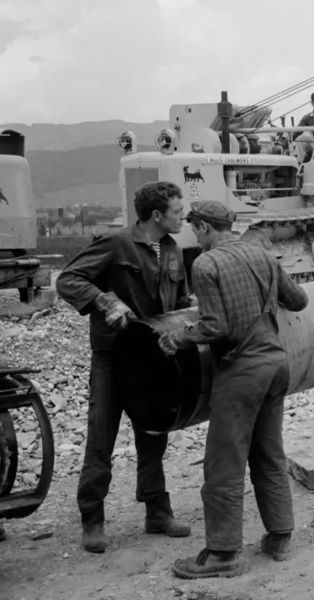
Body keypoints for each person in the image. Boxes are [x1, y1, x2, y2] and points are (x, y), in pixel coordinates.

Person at [158, 201, 308, 579]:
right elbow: (299, 300)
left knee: (224, 462)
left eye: (195, 227)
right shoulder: (262, 256)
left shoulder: (206, 264)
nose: (194, 234)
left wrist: (178, 337)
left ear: (206, 228)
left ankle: (223, 554)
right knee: (269, 453)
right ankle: (279, 535)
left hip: (242, 372)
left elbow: (215, 327)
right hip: (276, 364)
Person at [55, 181, 194, 553]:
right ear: (156, 215)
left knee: (153, 431)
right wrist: (104, 301)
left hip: (153, 356)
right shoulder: (116, 244)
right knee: (102, 436)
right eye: (179, 212)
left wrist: (192, 304)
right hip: (113, 357)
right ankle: (93, 519)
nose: (184, 217)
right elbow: (68, 280)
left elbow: (177, 301)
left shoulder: (172, 249)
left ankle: (157, 512)